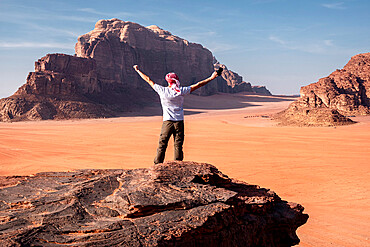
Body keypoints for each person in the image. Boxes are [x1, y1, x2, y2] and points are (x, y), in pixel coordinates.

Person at [133, 65, 220, 164]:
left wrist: (138, 70)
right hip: (179, 122)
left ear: (168, 81)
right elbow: (199, 84)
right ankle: (178, 164)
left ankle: (157, 164)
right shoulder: (181, 91)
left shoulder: (162, 90)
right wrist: (212, 77)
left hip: (167, 122)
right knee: (178, 145)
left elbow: (148, 80)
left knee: (162, 144)